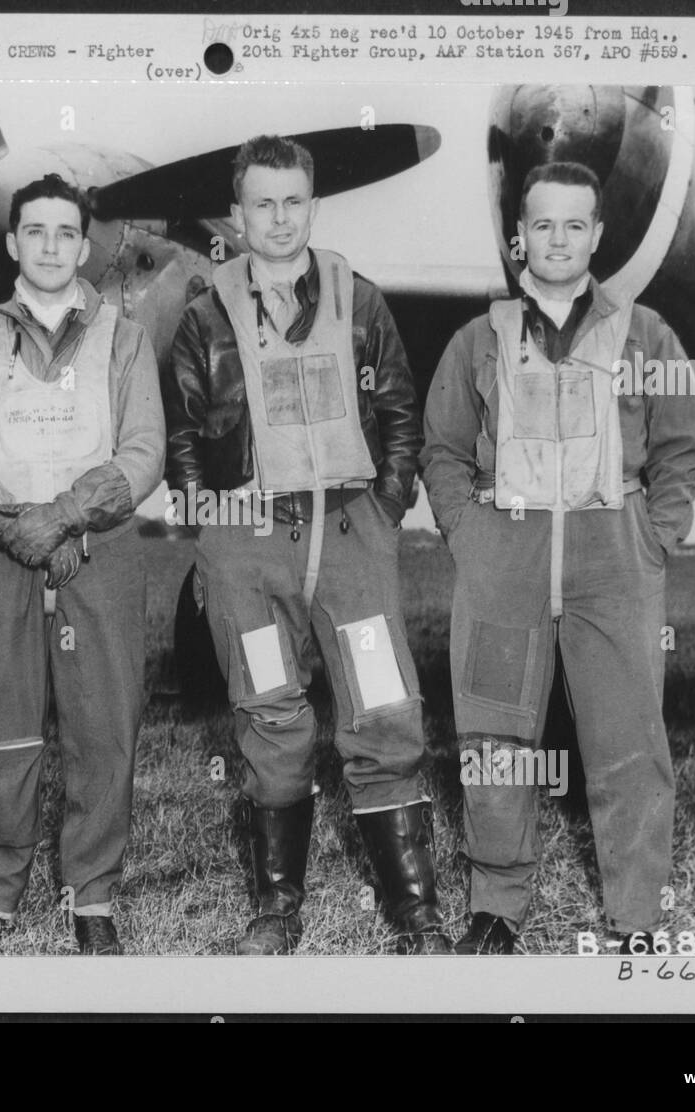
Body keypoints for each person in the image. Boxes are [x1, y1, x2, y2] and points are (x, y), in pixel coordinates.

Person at [164, 135, 448, 955]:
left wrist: (387, 504)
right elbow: (184, 433)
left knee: (385, 709)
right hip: (248, 543)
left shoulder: (360, 301)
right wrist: (210, 523)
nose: (279, 220)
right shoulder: (203, 315)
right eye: (262, 203)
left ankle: (414, 910)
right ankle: (276, 908)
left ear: (312, 207)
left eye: (293, 202)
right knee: (268, 712)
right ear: (239, 212)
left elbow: (400, 411)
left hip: (351, 530)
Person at [422, 161, 695, 955]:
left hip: (611, 555)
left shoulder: (647, 334)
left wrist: (654, 535)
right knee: (496, 739)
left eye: (574, 224)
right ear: (519, 236)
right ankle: (496, 903)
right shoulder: (476, 339)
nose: (558, 239)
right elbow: (442, 449)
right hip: (503, 555)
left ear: (598, 236)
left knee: (628, 741)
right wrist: (467, 534)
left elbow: (682, 447)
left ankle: (635, 917)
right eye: (542, 224)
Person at [0, 173, 164, 955]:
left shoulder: (124, 339)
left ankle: (91, 892)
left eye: (67, 232)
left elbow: (143, 453)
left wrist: (65, 516)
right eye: (36, 231)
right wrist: (14, 522)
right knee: (5, 727)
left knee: (103, 729)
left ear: (86, 245)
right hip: (3, 553)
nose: (52, 246)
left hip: (101, 554)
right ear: (12, 242)